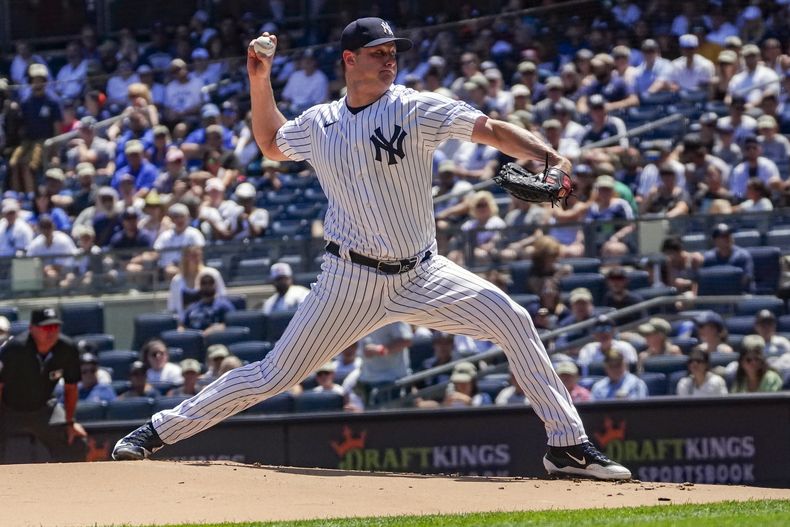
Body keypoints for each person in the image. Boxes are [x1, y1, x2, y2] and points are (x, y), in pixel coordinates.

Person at [112, 17, 630, 480]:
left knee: (513, 319)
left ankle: (568, 446)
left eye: (393, 52)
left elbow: (490, 130)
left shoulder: (414, 108)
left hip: (423, 274)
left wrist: (551, 157)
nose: (389, 59)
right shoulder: (319, 124)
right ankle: (157, 432)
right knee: (271, 374)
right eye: (378, 52)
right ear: (349, 60)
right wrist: (258, 78)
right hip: (348, 280)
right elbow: (270, 145)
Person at [0, 307, 88, 462]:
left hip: (44, 407)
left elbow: (71, 387)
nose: (51, 332)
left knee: (76, 442)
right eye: (46, 327)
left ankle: (67, 483)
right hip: (7, 408)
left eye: (55, 327)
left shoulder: (67, 348)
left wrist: (70, 422)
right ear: (32, 328)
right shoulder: (15, 349)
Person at [167, 246, 226, 319]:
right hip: (185, 323)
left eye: (198, 255)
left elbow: (222, 297)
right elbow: (173, 306)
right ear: (185, 258)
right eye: (193, 256)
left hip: (210, 318)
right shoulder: (177, 280)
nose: (196, 259)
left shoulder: (212, 274)